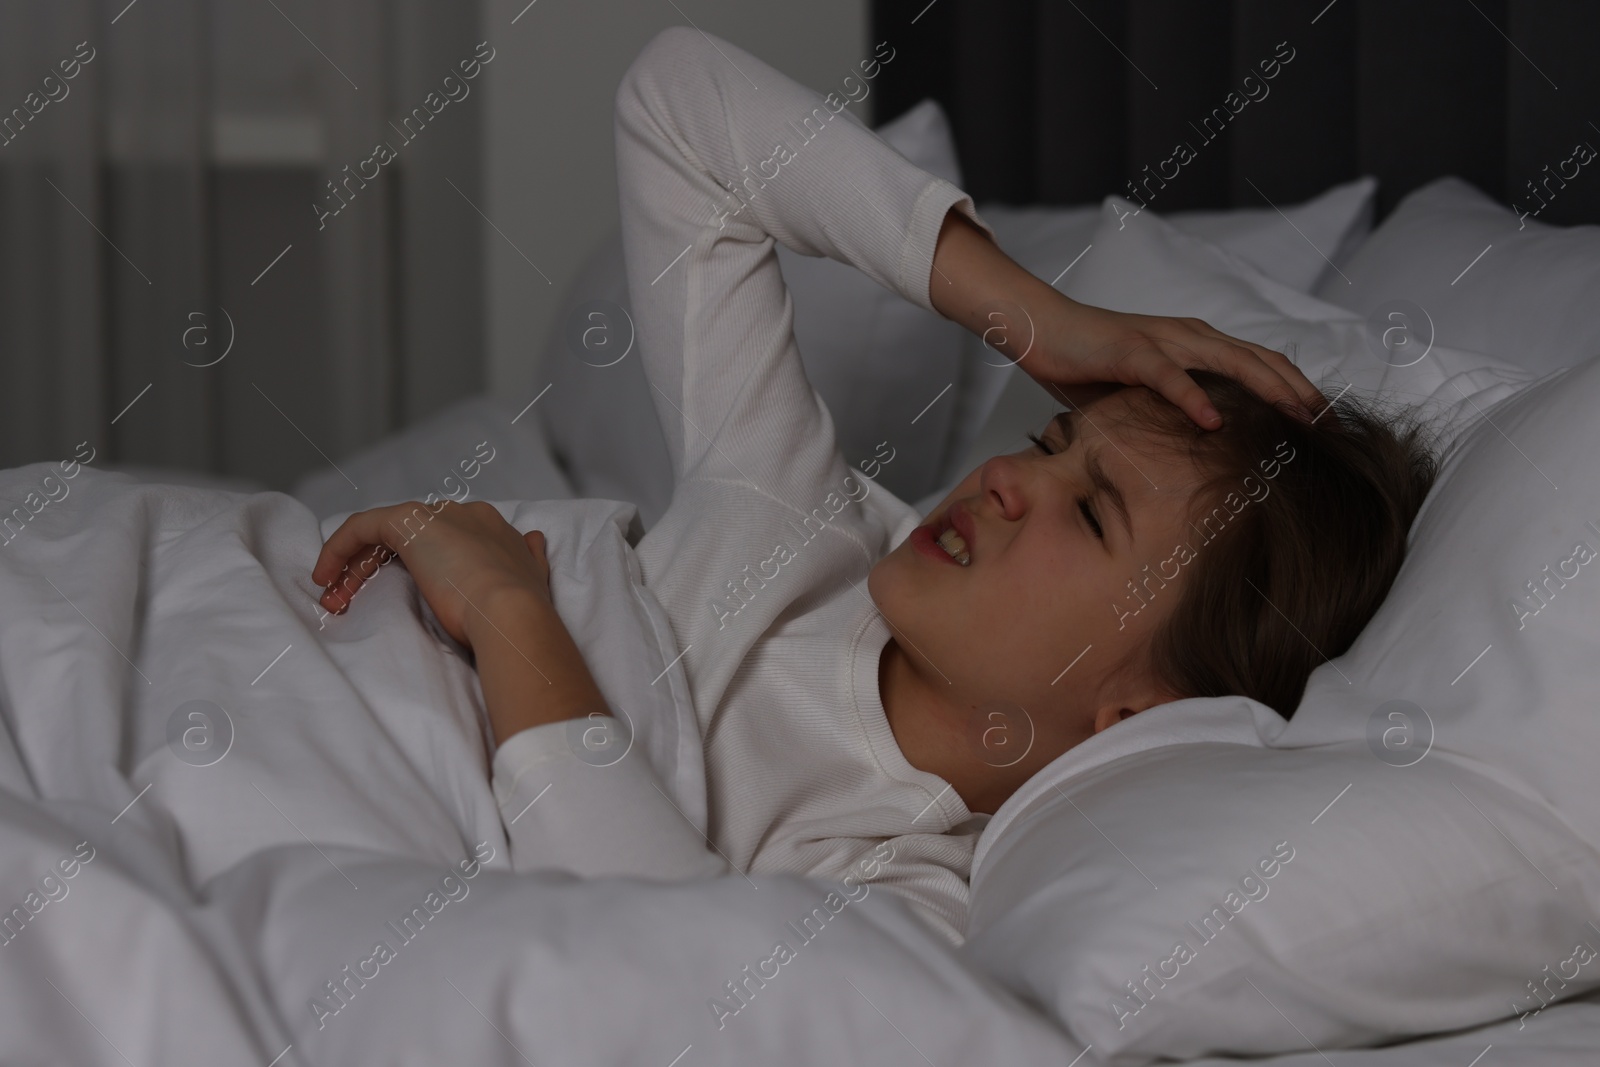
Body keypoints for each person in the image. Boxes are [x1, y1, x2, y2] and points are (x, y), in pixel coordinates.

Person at [309, 27, 1433, 944]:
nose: (1003, 482)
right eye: (1048, 446)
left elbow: (656, 972)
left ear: (1138, 712)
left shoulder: (910, 888)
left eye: (1089, 512)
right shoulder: (791, 515)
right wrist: (1031, 313)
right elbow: (675, 103)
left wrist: (509, 611)